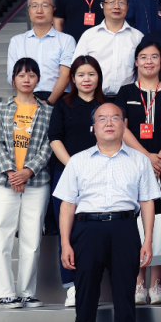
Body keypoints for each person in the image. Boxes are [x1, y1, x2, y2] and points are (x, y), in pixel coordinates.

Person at [53, 102, 161, 322]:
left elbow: (147, 202)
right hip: (86, 231)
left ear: (124, 125)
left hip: (125, 229)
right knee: (85, 306)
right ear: (93, 127)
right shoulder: (78, 161)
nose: (109, 122)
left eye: (115, 117)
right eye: (102, 118)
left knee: (126, 305)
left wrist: (147, 239)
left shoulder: (139, 161)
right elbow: (67, 205)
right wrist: (65, 243)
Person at [114, 41, 161, 305]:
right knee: (136, 221)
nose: (149, 62)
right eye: (143, 57)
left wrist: (160, 158)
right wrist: (147, 157)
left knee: (160, 220)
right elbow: (122, 127)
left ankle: (156, 285)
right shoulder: (126, 91)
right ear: (136, 62)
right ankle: (138, 283)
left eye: (154, 57)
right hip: (134, 162)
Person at [0, 58, 52, 309]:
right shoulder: (0, 110)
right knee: (1, 237)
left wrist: (28, 171)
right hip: (4, 182)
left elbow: (49, 145)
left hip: (37, 182)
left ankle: (26, 291)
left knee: (32, 239)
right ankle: (5, 292)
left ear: (38, 79)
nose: (27, 79)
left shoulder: (48, 111)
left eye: (32, 75)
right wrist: (12, 173)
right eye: (21, 75)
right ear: (13, 79)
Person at [48, 57, 105, 308]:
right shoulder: (63, 105)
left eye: (91, 74)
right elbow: (54, 138)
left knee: (96, 232)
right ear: (72, 79)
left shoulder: (106, 106)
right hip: (67, 173)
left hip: (101, 175)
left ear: (98, 77)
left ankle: (92, 285)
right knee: (67, 231)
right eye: (81, 75)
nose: (86, 79)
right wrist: (74, 167)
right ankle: (72, 287)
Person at [7, 0, 75, 103]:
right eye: (34, 6)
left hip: (59, 99)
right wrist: (29, 100)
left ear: (53, 10)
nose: (39, 11)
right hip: (27, 99)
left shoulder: (66, 40)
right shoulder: (17, 41)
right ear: (29, 11)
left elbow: (65, 75)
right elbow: (12, 75)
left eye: (45, 6)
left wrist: (48, 102)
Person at [73, 0, 143, 95]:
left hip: (127, 97)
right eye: (111, 2)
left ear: (128, 6)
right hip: (94, 96)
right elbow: (77, 67)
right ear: (102, 5)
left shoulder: (138, 37)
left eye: (122, 2)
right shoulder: (89, 35)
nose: (116, 6)